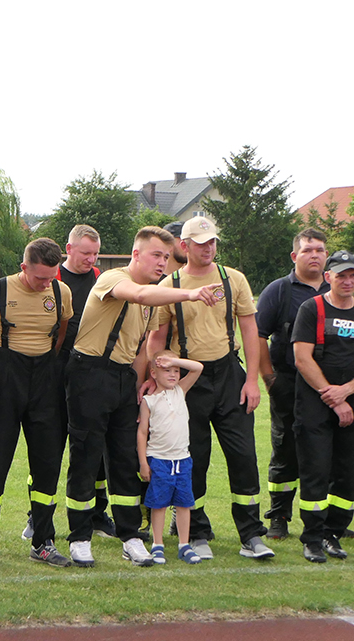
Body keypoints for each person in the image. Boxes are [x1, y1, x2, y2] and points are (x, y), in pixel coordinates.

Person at [64, 225, 218, 568]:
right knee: (86, 455)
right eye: (156, 255)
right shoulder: (113, 279)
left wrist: (139, 383)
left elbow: (141, 349)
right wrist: (191, 294)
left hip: (122, 378)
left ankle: (131, 535)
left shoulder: (153, 293)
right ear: (135, 254)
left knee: (125, 459)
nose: (162, 262)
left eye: (166, 257)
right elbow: (140, 296)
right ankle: (79, 536)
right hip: (89, 372)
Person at [146, 216, 271, 562]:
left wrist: (251, 380)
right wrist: (155, 375)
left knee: (243, 454)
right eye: (200, 243)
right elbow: (156, 339)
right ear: (183, 247)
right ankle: (197, 532)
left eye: (212, 242)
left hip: (229, 373)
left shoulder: (234, 280)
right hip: (188, 379)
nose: (208, 248)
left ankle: (251, 534)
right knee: (193, 457)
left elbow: (249, 329)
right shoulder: (171, 283)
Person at [0, 237, 73, 569]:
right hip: (6, 378)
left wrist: (44, 363)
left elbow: (60, 332)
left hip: (45, 380)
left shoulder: (61, 292)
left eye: (51, 277)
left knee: (47, 463)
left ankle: (43, 541)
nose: (46, 283)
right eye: (39, 277)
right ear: (23, 267)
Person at [291, 250, 354, 563]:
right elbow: (302, 358)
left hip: (352, 399)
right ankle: (312, 537)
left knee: (347, 472)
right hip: (315, 400)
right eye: (340, 274)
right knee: (315, 469)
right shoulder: (310, 309)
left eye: (352, 274)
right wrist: (330, 395)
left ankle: (334, 532)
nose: (347, 280)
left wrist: (346, 392)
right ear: (327, 277)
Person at [255, 229, 330, 540]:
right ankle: (278, 517)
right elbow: (258, 335)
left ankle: (325, 520)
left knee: (326, 452)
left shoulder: (337, 288)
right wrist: (270, 378)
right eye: (308, 249)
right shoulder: (279, 290)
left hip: (328, 386)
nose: (314, 255)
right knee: (285, 449)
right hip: (288, 382)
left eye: (320, 250)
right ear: (294, 256)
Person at [48, 224, 118, 541]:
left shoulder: (102, 280)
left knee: (96, 443)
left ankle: (97, 513)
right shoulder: (51, 278)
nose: (90, 259)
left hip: (92, 372)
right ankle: (38, 519)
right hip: (56, 369)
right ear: (69, 249)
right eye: (85, 253)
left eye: (95, 254)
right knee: (50, 445)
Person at [137, 351, 204, 566]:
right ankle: (158, 544)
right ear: (154, 373)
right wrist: (143, 462)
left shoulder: (180, 391)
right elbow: (142, 433)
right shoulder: (149, 401)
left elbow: (198, 367)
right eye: (167, 371)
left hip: (182, 459)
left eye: (176, 371)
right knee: (159, 504)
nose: (173, 374)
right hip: (159, 459)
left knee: (184, 503)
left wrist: (174, 361)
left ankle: (184, 545)